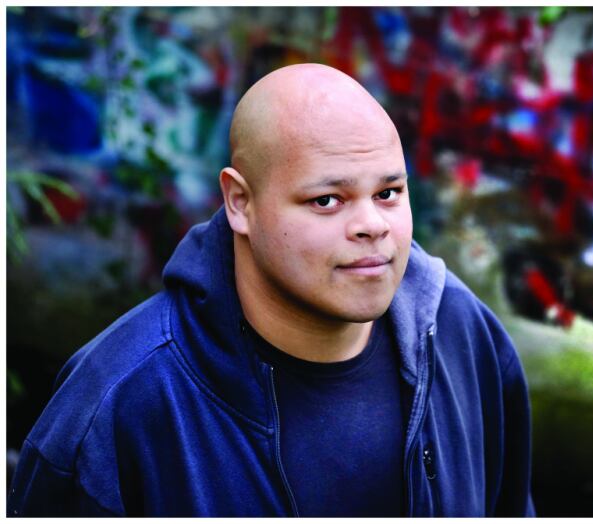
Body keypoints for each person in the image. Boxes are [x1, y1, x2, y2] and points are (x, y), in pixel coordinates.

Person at [7, 63, 534, 517]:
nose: (373, 225)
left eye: (389, 192)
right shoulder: (115, 407)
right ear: (240, 202)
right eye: (327, 200)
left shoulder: (462, 332)